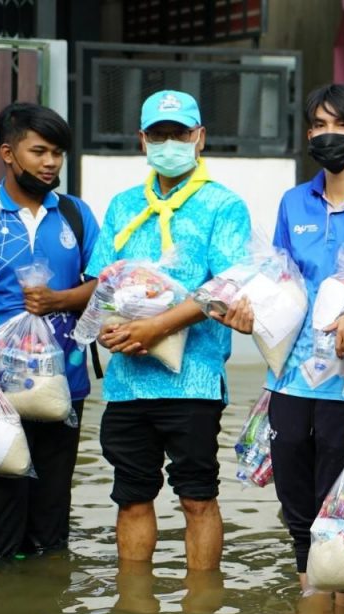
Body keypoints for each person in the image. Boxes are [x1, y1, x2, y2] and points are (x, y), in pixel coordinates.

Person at [213, 83, 344, 597]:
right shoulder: (293, 202)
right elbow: (281, 278)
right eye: (317, 125)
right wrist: (248, 307)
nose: (326, 135)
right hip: (291, 383)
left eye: (339, 125)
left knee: (343, 518)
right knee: (299, 520)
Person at [86, 90, 251, 572]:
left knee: (197, 497)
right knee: (131, 498)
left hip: (194, 379)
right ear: (142, 140)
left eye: (180, 134)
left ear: (199, 137)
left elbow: (229, 286)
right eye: (159, 134)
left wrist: (156, 326)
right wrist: (107, 329)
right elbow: (103, 281)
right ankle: (134, 609)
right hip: (127, 383)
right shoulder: (122, 205)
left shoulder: (224, 205)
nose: (169, 143)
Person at [0, 103, 100, 559]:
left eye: (57, 153)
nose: (50, 163)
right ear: (8, 153)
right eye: (39, 151)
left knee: (51, 520)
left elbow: (104, 286)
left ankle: (47, 604)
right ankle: (1, 607)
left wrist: (60, 301)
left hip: (62, 386)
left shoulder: (75, 214)